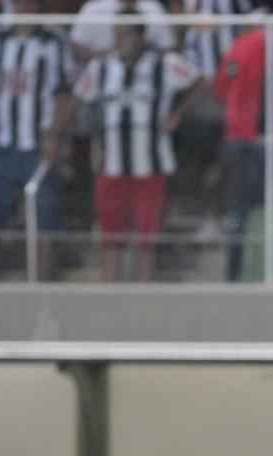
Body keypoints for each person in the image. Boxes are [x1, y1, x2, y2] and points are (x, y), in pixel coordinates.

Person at [75, 24, 202, 281]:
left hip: (151, 164)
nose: (119, 41)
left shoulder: (164, 64)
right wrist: (93, 142)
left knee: (147, 234)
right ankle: (108, 288)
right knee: (110, 235)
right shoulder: (100, 68)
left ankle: (143, 291)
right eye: (116, 35)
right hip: (111, 164)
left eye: (125, 35)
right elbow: (82, 99)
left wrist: (177, 112)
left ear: (141, 36)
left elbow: (198, 80)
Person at [0, 0, 74, 281]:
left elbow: (65, 93)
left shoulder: (54, 44)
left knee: (44, 215)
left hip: (37, 144)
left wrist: (54, 134)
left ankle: (42, 283)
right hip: (2, 144)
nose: (23, 6)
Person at [215, 21, 273, 282]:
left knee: (238, 209)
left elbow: (220, 88)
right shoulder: (270, 44)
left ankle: (234, 271)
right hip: (262, 138)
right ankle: (257, 269)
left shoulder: (237, 47)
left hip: (238, 135)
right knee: (261, 206)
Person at [69, 0, 174, 63]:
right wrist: (112, 56)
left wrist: (142, 52)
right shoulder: (93, 9)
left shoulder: (154, 8)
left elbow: (167, 49)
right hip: (99, 80)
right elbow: (75, 49)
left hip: (145, 77)